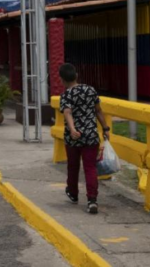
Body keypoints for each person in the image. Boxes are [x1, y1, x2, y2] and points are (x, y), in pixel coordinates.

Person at [58, 63, 109, 214]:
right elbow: (98, 111)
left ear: (62, 80)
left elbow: (67, 112)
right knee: (90, 167)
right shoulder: (90, 90)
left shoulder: (66, 94)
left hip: (73, 138)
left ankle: (73, 193)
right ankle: (92, 200)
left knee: (73, 166)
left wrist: (73, 129)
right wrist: (105, 128)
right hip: (91, 135)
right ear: (76, 75)